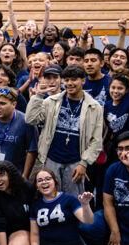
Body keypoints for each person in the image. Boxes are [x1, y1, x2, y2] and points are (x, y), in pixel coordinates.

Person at [25, 65, 103, 195]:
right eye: (66, 80)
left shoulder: (95, 107)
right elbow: (31, 119)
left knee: (73, 201)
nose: (69, 83)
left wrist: (84, 163)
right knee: (50, 197)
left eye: (74, 79)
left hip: (76, 161)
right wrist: (38, 96)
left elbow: (96, 140)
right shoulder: (50, 101)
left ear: (83, 81)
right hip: (51, 159)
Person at [29, 168, 94, 245]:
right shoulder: (36, 205)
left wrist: (85, 205)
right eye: (40, 180)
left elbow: (88, 220)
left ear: (55, 182)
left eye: (48, 179)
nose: (44, 182)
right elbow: (34, 234)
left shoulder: (69, 199)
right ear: (36, 186)